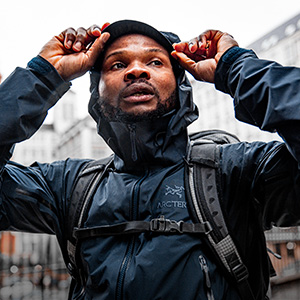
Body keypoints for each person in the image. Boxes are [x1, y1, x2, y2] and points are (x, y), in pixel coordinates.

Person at [0, 19, 299, 300]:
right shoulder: (68, 187)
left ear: (181, 85)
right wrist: (42, 75)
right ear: (97, 93)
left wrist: (235, 66)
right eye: (117, 64)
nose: (136, 71)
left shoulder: (238, 170)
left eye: (155, 61)